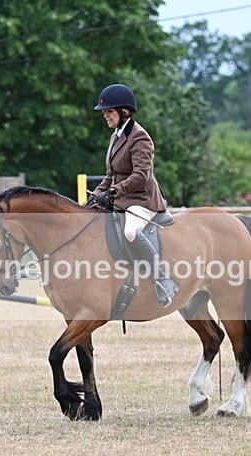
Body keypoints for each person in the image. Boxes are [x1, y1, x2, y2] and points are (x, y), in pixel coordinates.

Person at [87, 83, 178, 308]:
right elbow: (111, 175)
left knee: (130, 231)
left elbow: (141, 175)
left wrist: (113, 192)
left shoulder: (140, 137)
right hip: (122, 198)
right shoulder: (116, 137)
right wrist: (96, 196)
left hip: (142, 199)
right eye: (105, 112)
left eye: (109, 111)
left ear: (123, 111)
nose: (105, 116)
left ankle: (163, 278)